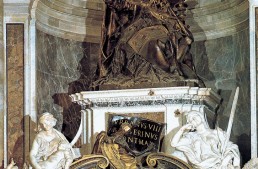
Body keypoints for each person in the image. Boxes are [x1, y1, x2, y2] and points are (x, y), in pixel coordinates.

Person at [171, 111, 240, 169]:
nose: (193, 119)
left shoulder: (217, 133)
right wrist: (182, 129)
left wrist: (227, 158)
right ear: (190, 124)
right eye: (190, 119)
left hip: (218, 163)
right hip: (202, 165)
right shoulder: (191, 136)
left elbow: (231, 147)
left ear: (201, 116)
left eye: (195, 115)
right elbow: (174, 144)